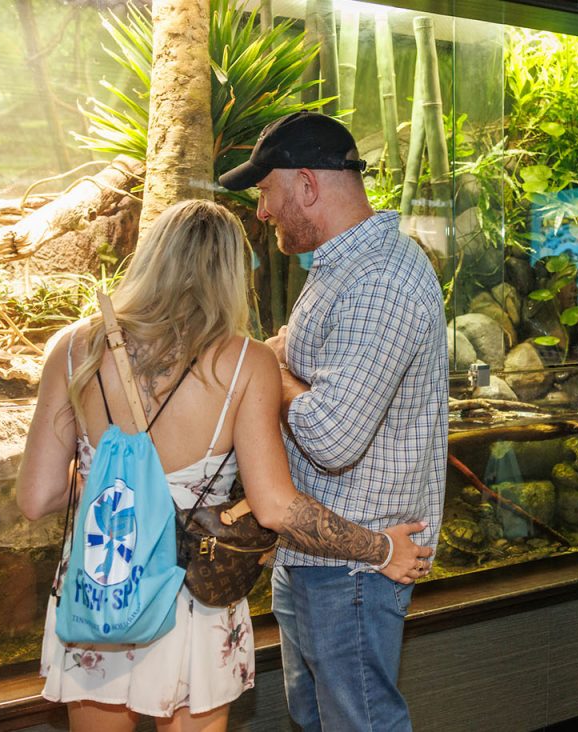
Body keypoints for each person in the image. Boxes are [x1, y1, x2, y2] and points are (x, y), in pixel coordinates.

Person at [16, 199, 434, 732]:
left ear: (150, 256)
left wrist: (114, 476)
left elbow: (36, 499)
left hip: (103, 583)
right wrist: (381, 548)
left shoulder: (73, 349)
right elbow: (276, 506)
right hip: (194, 589)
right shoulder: (246, 362)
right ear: (232, 274)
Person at [218, 112, 448, 731]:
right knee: (316, 719)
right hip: (314, 554)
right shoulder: (337, 269)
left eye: (265, 192)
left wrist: (271, 378)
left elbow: (331, 434)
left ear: (308, 185)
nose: (261, 211)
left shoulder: (381, 278)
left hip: (359, 565)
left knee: (358, 723)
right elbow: (280, 350)